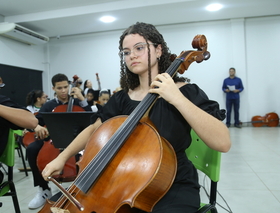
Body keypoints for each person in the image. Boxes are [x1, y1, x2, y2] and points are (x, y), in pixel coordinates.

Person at [42, 22, 231, 213]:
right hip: (119, 182)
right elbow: (94, 130)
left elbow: (223, 143)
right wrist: (62, 157)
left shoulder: (185, 92)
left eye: (139, 48)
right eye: (126, 52)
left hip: (171, 184)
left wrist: (177, 98)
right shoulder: (122, 98)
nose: (131, 55)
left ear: (158, 50)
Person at [26, 73, 92, 210]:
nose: (63, 91)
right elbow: (38, 122)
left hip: (77, 141)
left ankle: (83, 190)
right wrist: (36, 127)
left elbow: (93, 119)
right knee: (32, 149)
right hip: (53, 140)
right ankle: (43, 189)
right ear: (53, 89)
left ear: (69, 86)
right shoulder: (49, 105)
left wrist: (83, 99)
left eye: (65, 87)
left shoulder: (79, 102)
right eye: (59, 88)